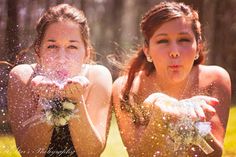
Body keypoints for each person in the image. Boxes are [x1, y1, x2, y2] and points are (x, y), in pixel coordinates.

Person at [112, 1, 231, 157]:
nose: (174, 51)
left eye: (184, 40)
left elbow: (213, 153)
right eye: (163, 41)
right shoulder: (126, 88)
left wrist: (190, 119)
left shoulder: (215, 79)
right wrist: (159, 118)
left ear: (198, 46)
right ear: (147, 50)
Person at [8, 4, 112, 157]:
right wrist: (45, 100)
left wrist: (77, 100)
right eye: (51, 46)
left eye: (72, 47)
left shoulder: (97, 77)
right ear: (38, 52)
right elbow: (29, 153)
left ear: (86, 53)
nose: (61, 58)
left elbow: (90, 152)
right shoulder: (23, 76)